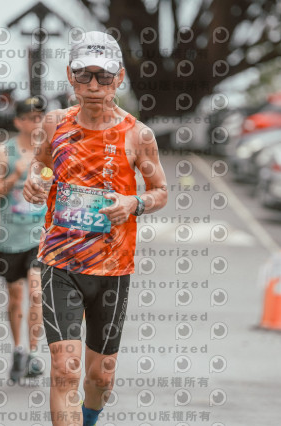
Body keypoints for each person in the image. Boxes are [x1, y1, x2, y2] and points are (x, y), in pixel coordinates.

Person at [23, 31, 168, 426]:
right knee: (65, 368)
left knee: (100, 377)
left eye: (103, 76)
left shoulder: (138, 134)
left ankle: (89, 418)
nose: (93, 85)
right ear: (70, 76)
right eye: (83, 75)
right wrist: (34, 180)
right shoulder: (55, 123)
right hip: (60, 263)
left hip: (112, 269)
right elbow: (40, 165)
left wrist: (133, 203)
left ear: (118, 77)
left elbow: (160, 191)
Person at [0, 96, 47, 382]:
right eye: (31, 118)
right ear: (18, 122)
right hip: (11, 237)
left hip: (40, 236)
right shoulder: (5, 151)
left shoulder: (48, 151)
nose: (37, 123)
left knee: (36, 293)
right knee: (15, 297)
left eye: (40, 117)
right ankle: (19, 349)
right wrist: (16, 176)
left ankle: (33, 353)